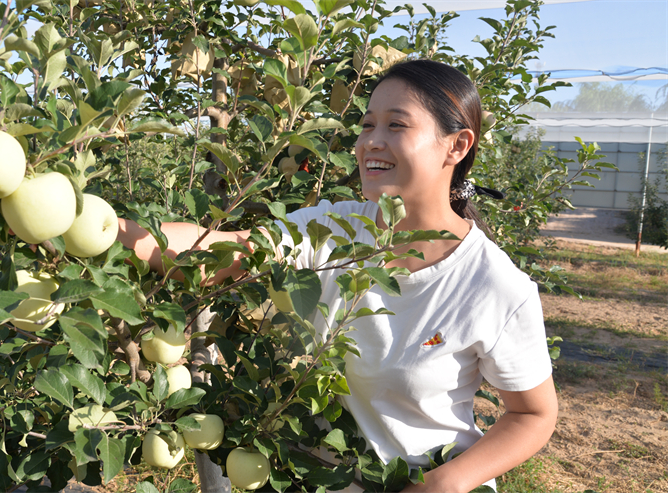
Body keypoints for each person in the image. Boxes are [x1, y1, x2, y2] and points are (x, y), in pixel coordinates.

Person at [116, 59, 558, 492]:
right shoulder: (334, 229)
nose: (371, 142)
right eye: (368, 125)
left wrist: (445, 483)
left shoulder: (493, 285)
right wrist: (110, 231)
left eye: (396, 126)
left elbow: (534, 415)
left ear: (457, 146)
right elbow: (230, 249)